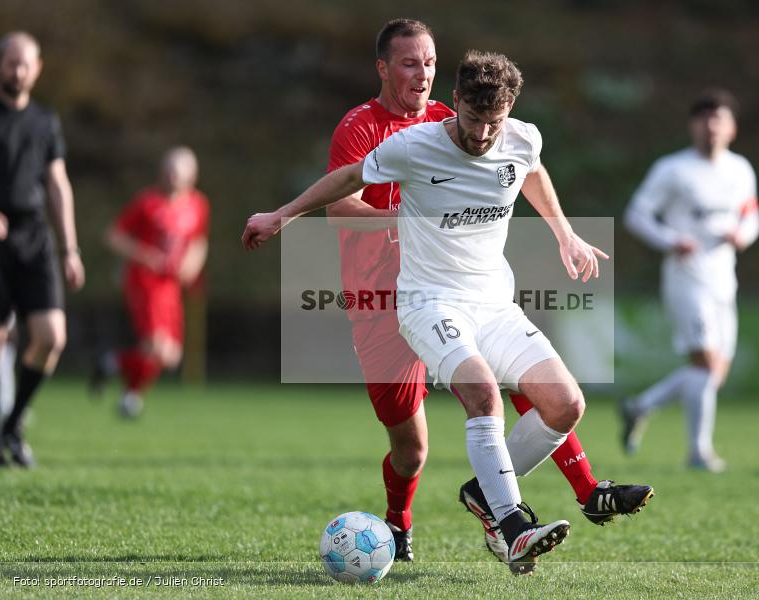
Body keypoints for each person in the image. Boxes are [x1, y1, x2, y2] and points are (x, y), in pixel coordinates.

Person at [244, 50, 652, 575]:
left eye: (494, 123)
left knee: (566, 405)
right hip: (428, 302)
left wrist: (565, 233)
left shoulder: (522, 137)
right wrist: (281, 216)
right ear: (454, 102)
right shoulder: (416, 146)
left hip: (494, 303)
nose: (483, 135)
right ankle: (512, 524)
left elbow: (531, 171)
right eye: (475, 120)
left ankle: (485, 495)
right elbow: (348, 180)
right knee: (483, 394)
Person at [621, 89, 759, 472]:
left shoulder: (740, 170)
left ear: (732, 128)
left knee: (714, 372)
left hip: (722, 279)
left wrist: (743, 235)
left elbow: (751, 215)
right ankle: (699, 452)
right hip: (686, 278)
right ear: (692, 126)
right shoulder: (673, 169)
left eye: (719, 119)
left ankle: (640, 407)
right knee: (704, 363)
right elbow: (637, 214)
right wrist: (671, 239)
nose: (712, 126)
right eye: (704, 119)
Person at [0, 31, 85, 467]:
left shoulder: (45, 121)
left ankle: (11, 427)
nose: (18, 70)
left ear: (38, 68)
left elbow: (57, 184)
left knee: (51, 336)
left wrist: (70, 248)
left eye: (25, 63)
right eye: (10, 62)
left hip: (33, 238)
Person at [91, 147, 209, 418]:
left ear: (192, 175)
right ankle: (131, 396)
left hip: (171, 285)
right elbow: (113, 236)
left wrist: (193, 264)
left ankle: (114, 367)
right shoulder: (147, 202)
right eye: (168, 169)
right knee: (158, 347)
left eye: (178, 171)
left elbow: (199, 241)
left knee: (171, 356)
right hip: (144, 282)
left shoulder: (198, 204)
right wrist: (145, 256)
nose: (172, 176)